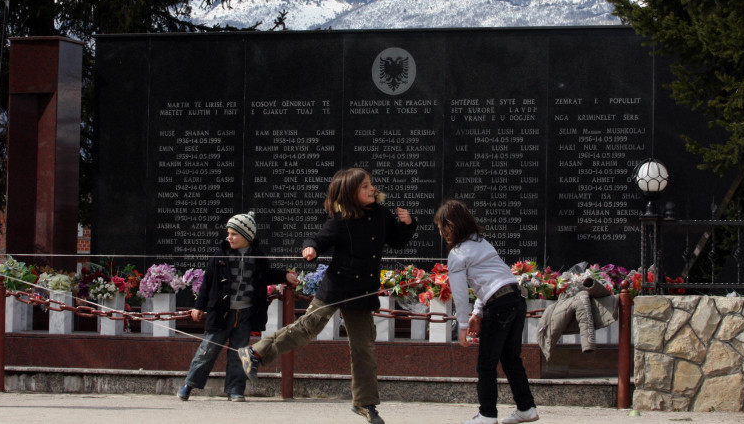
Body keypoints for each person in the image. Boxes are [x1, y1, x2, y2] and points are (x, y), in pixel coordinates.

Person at [238, 168, 417, 424]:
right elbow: (318, 238)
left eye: (371, 184)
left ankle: (365, 404)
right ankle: (255, 353)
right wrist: (310, 248)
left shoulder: (381, 214)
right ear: (351, 193)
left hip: (363, 292)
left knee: (364, 348)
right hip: (337, 288)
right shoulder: (340, 220)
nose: (372, 189)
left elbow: (397, 241)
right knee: (306, 329)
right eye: (365, 186)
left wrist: (408, 224)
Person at [434, 199, 538, 424]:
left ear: (451, 226)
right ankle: (526, 407)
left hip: (499, 305)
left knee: (486, 363)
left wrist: (462, 325)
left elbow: (461, 293)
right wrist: (478, 313)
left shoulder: (458, 254)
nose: (440, 232)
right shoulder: (482, 243)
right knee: (511, 358)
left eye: (441, 227)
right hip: (515, 299)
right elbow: (495, 279)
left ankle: (487, 414)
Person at [176, 211, 299, 402]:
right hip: (221, 313)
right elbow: (207, 282)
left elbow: (267, 274)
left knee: (239, 353)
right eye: (228, 233)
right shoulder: (220, 255)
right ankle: (189, 385)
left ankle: (235, 389)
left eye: (234, 234)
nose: (229, 237)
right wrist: (199, 306)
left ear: (247, 236)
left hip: (245, 314)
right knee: (207, 350)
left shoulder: (258, 256)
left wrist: (285, 275)